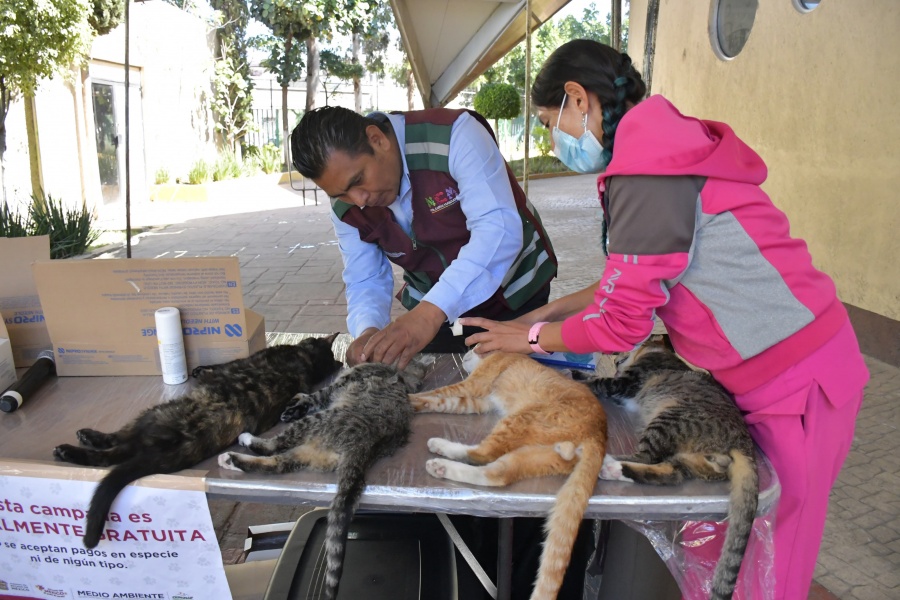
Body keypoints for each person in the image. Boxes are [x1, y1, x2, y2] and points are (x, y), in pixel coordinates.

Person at [460, 39, 869, 600]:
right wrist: (545, 314)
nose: (553, 137)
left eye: (550, 121)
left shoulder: (650, 168)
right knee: (740, 541)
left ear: (578, 99)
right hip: (768, 375)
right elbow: (625, 279)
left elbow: (621, 323)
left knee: (771, 549)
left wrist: (529, 338)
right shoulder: (656, 148)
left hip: (798, 379)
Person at [290, 106, 557, 368]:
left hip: (516, 292)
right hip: (437, 309)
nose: (359, 200)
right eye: (340, 194)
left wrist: (430, 312)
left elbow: (497, 231)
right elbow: (365, 277)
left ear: (377, 139)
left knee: (517, 388)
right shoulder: (347, 208)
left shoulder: (454, 135)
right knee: (444, 385)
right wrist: (367, 330)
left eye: (358, 179)